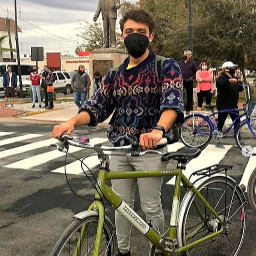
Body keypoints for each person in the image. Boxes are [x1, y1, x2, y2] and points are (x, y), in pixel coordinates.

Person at [53, 9, 183, 256]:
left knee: (150, 205)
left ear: (151, 37)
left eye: (141, 33)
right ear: (121, 35)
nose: (135, 36)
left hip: (150, 148)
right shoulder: (115, 75)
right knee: (121, 207)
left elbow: (172, 104)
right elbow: (96, 107)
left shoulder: (165, 66)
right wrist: (71, 122)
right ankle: (123, 252)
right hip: (119, 149)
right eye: (130, 32)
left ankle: (159, 249)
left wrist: (158, 130)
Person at [215, 61, 244, 148]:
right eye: (232, 68)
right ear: (226, 69)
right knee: (220, 123)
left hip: (233, 105)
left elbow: (239, 88)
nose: (234, 70)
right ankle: (218, 141)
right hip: (224, 104)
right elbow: (220, 83)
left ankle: (237, 139)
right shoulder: (222, 78)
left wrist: (241, 84)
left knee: (237, 122)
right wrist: (229, 80)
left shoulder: (233, 77)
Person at [179, 50, 198, 115]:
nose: (185, 55)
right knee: (180, 95)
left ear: (189, 56)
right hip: (181, 81)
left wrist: (192, 78)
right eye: (184, 54)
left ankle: (188, 110)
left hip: (189, 81)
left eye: (186, 54)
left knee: (189, 96)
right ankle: (180, 109)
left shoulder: (193, 63)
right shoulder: (180, 63)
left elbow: (196, 72)